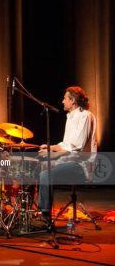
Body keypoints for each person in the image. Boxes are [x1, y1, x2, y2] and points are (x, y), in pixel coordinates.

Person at [37, 86, 97, 217]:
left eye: (65, 98)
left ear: (73, 101)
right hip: (69, 161)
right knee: (38, 167)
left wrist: (53, 149)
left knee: (46, 175)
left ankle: (45, 216)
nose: (62, 101)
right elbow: (67, 144)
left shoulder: (85, 116)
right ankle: (37, 209)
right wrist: (49, 147)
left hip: (81, 165)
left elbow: (78, 145)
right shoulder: (70, 117)